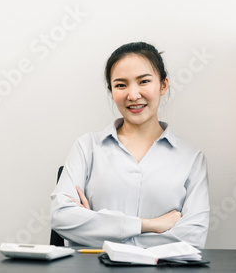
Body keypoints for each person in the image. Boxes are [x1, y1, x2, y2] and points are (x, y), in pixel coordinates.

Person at [50, 42, 210, 249]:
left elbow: (193, 237)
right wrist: (149, 225)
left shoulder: (191, 158)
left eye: (143, 81)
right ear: (112, 91)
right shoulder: (87, 147)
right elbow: (61, 217)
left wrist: (96, 228)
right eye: (121, 85)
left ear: (163, 85)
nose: (133, 95)